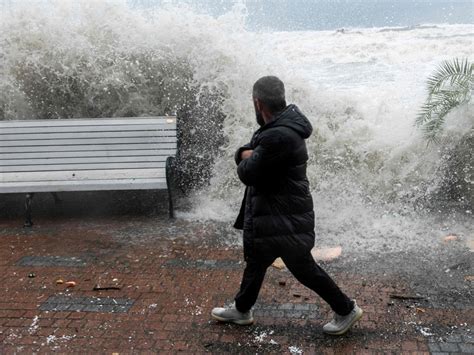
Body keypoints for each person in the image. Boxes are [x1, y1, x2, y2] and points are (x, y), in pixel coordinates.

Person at [211, 76, 363, 335]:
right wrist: (248, 152)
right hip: (275, 213)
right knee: (256, 262)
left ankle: (346, 309)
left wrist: (241, 154)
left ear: (258, 103)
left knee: (304, 269)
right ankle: (242, 309)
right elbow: (255, 151)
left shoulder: (278, 135)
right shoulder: (280, 126)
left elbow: (248, 171)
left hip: (284, 217)